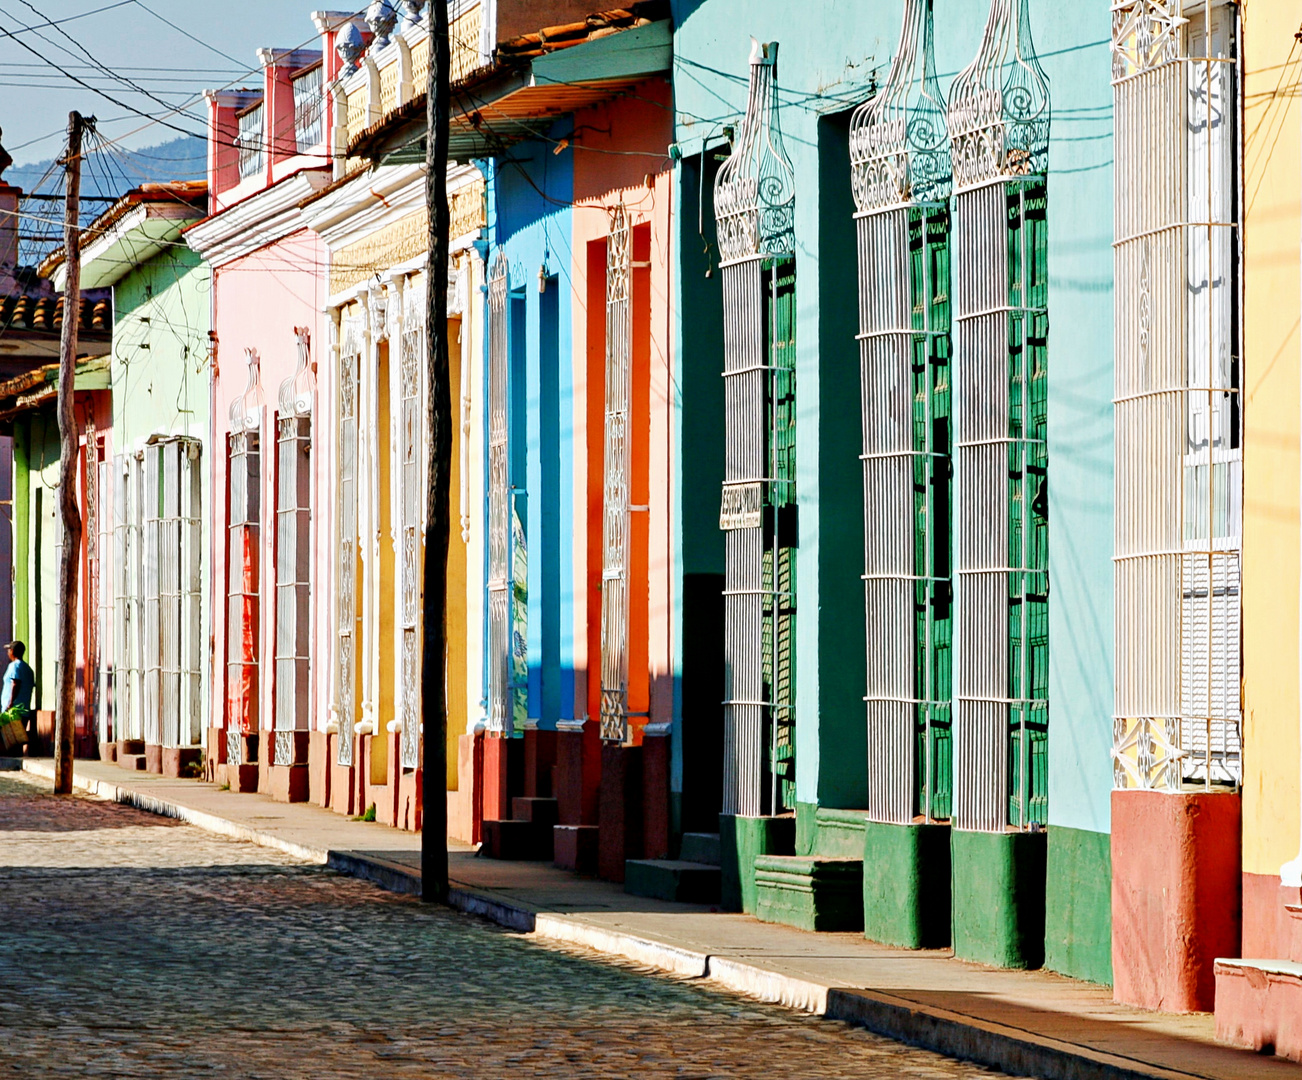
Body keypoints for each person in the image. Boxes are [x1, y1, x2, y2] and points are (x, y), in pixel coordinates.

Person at [2, 641, 35, 752]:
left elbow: (15, 683)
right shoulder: (28, 669)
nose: (7, 652)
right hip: (23, 709)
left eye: (8, 650)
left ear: (12, 651)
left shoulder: (15, 666)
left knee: (10, 740)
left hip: (13, 711)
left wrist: (10, 703)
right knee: (16, 740)